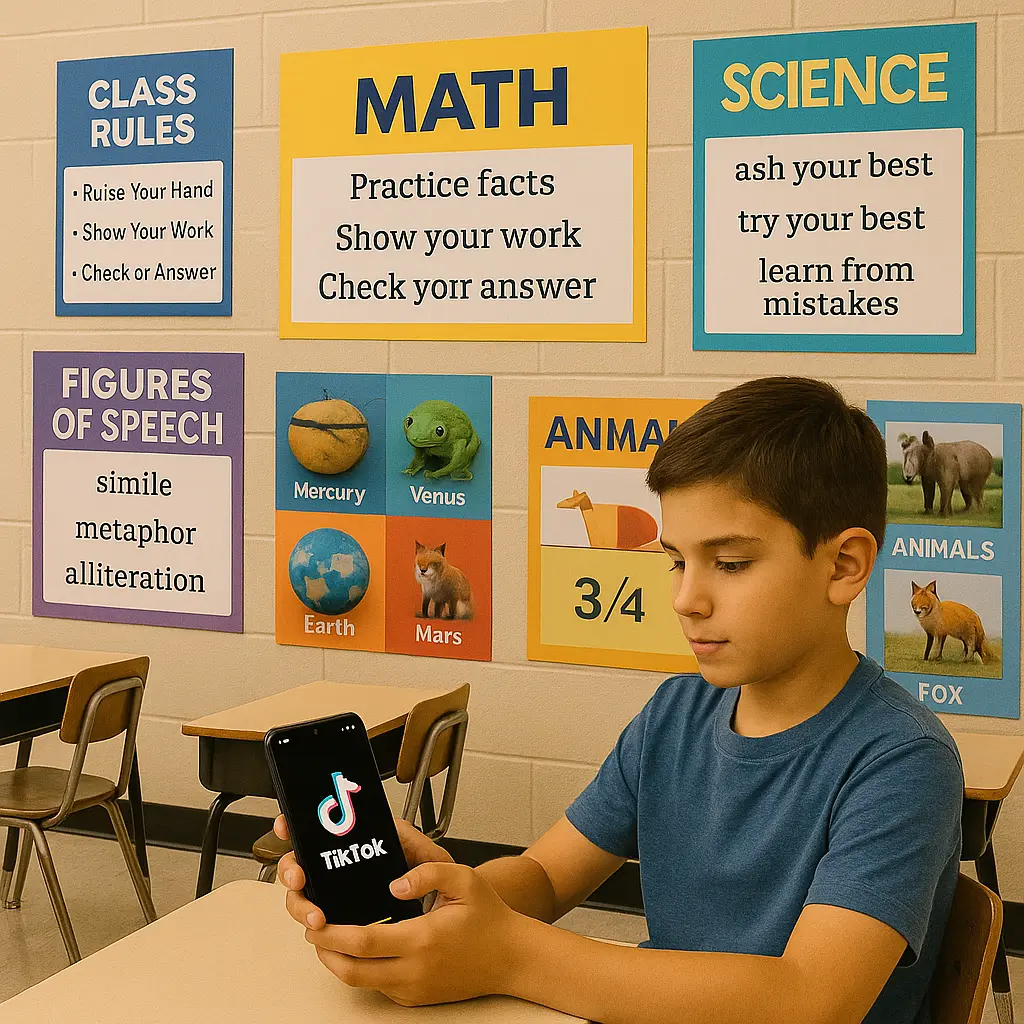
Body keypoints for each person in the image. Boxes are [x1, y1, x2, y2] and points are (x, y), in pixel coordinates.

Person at [275, 376, 963, 1024]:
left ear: (843, 565)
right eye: (676, 561)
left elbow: (809, 1000)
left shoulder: (903, 759)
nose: (686, 598)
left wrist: (508, 955)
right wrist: (441, 892)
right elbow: (545, 877)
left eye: (730, 564)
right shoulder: (674, 716)